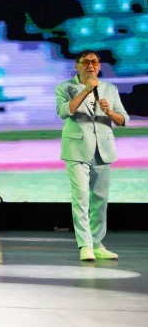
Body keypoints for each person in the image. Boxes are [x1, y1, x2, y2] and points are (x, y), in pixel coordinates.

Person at [55, 50, 129, 261]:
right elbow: (63, 112)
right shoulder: (64, 87)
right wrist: (86, 90)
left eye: (94, 62)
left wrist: (110, 112)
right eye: (86, 62)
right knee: (81, 197)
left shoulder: (110, 89)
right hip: (77, 148)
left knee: (100, 200)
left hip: (103, 149)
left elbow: (124, 119)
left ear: (99, 65)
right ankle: (85, 245)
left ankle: (97, 244)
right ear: (77, 66)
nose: (91, 65)